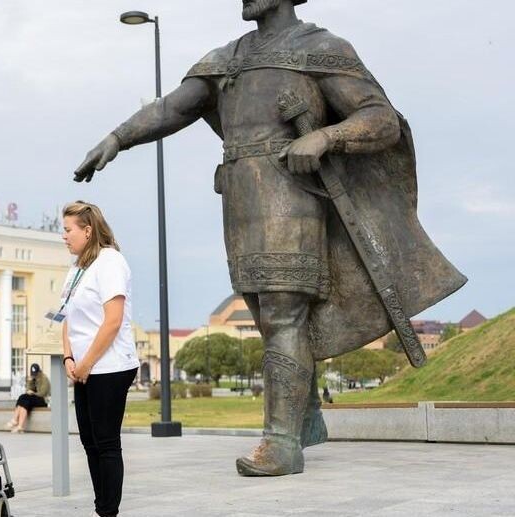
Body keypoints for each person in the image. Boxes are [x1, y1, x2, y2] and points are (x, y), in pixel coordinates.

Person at [73, 0, 465, 476]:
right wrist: (117, 139)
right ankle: (305, 420)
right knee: (265, 313)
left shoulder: (320, 48)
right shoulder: (229, 58)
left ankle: (281, 442)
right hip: (241, 198)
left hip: (292, 195)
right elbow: (173, 108)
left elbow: (380, 117)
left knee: (283, 311)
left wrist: (327, 137)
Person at [59, 201, 139, 517]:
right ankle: (101, 507)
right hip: (83, 367)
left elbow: (113, 321)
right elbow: (66, 317)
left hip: (110, 366)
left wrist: (87, 362)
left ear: (88, 230)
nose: (63, 236)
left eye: (68, 230)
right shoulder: (78, 268)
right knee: (90, 443)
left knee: (106, 443)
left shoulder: (110, 262)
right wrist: (68, 357)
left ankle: (108, 512)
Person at [5, 363, 50, 433]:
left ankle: (16, 422)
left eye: (35, 374)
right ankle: (18, 424)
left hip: (43, 400)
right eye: (33, 374)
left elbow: (43, 393)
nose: (34, 375)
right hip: (34, 399)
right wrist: (30, 382)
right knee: (22, 397)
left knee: (26, 399)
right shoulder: (33, 377)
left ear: (39, 372)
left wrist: (33, 393)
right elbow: (28, 390)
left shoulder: (44, 378)